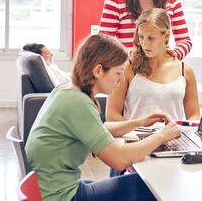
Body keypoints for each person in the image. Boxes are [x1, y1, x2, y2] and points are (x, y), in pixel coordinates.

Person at [25, 34, 181, 201]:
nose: (121, 80)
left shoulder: (67, 91)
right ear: (98, 70)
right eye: (118, 73)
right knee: (154, 183)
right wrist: (162, 135)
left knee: (133, 181)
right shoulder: (77, 102)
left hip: (55, 189)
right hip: (64, 196)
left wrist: (139, 122)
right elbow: (120, 160)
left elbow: (99, 129)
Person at [106, 8, 200, 121]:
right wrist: (136, 130)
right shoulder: (128, 68)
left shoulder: (185, 71)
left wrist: (181, 132)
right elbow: (111, 115)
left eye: (151, 38)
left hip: (173, 137)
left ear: (166, 36)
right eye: (141, 37)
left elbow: (194, 116)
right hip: (136, 137)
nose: (144, 44)